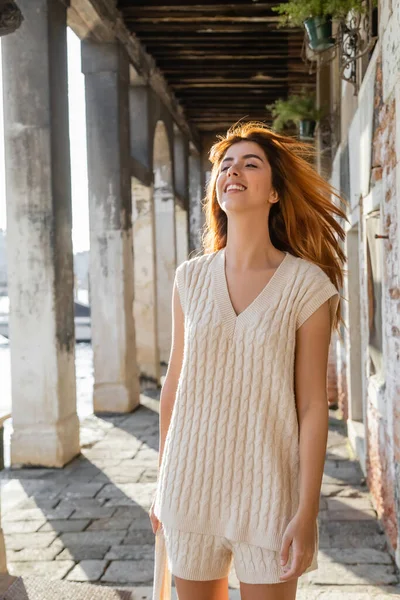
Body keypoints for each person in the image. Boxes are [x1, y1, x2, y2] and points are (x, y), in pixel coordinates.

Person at [149, 121, 348, 600]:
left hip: (269, 493)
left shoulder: (307, 285)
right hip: (189, 484)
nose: (232, 171)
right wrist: (162, 481)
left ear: (274, 191)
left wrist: (307, 510)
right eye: (225, 164)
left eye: (249, 163)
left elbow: (311, 408)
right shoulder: (190, 278)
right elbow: (174, 383)